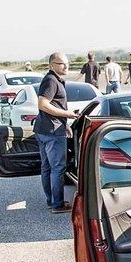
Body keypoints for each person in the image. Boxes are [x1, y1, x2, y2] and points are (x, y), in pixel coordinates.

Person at [34, 52, 79, 213]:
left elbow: (54, 106)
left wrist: (64, 123)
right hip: (52, 132)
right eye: (62, 64)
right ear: (52, 65)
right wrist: (68, 114)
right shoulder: (51, 80)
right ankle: (58, 204)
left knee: (47, 167)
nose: (66, 66)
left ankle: (51, 201)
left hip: (46, 129)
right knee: (57, 168)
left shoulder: (54, 80)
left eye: (67, 63)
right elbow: (43, 104)